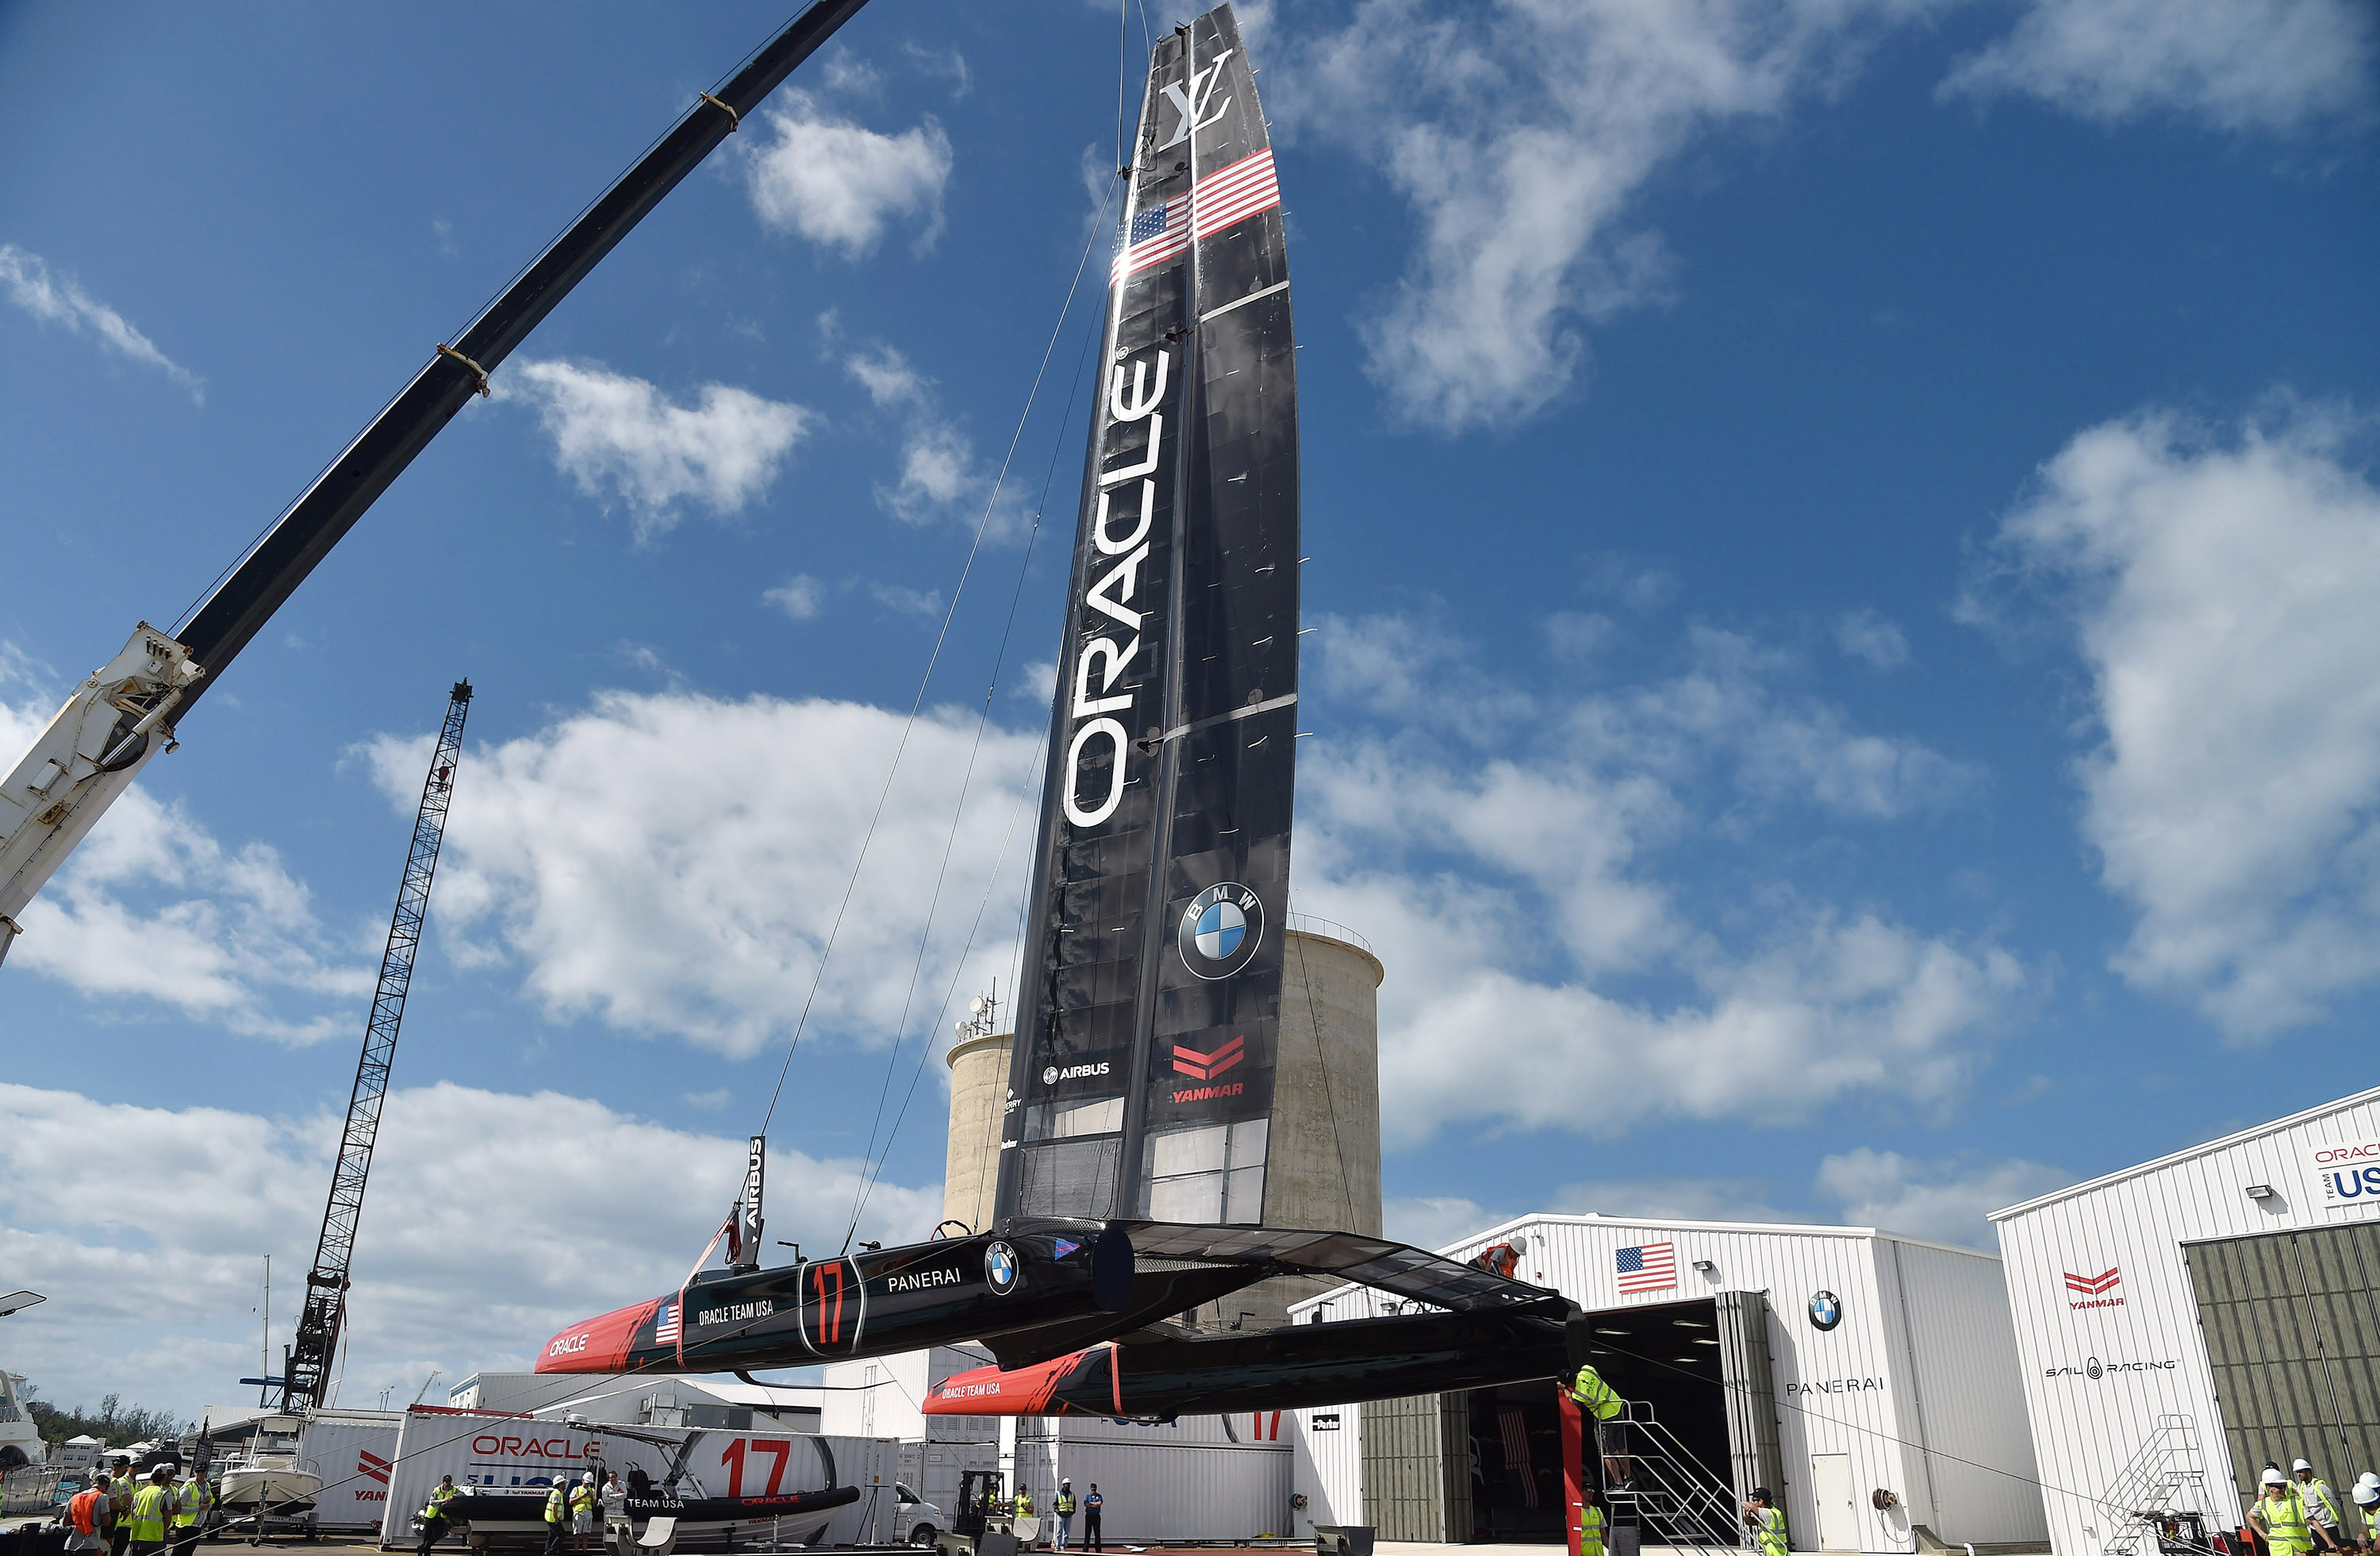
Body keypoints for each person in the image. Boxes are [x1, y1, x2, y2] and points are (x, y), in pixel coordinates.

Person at [1568, 1362, 1631, 1489]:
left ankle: (1618, 1483)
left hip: (1606, 1417)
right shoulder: (1587, 1370)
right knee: (1621, 1448)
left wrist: (1564, 1389)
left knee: (1606, 1451)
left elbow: (1572, 1401)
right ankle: (1628, 1478)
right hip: (1617, 1406)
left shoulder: (1579, 1393)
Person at [2253, 1467, 2314, 1556]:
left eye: (2284, 1486)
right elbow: (2251, 1515)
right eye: (2279, 1487)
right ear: (2269, 1488)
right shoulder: (2264, 1503)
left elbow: (2312, 1520)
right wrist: (2263, 1535)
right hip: (2278, 1550)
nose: (2283, 1489)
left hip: (2298, 1547)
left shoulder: (2294, 1501)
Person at [2298, 1462, 2350, 1553]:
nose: (2299, 1474)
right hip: (2315, 1529)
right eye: (2298, 1472)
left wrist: (2335, 1519)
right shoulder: (2301, 1488)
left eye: (2301, 1472)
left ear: (2308, 1471)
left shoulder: (2320, 1486)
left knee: (2334, 1552)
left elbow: (2334, 1504)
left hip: (2329, 1526)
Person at [127, 1467, 175, 1556]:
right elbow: (168, 1518)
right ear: (164, 1478)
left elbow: (133, 1514)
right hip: (154, 1538)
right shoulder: (164, 1494)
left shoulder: (138, 1494)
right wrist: (162, 1530)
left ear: (151, 1477)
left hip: (136, 1536)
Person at [67, 1473, 115, 1554]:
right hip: (89, 1545)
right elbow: (106, 1522)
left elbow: (66, 1522)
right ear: (107, 1485)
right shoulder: (102, 1497)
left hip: (71, 1545)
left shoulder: (75, 1497)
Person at [171, 1464, 210, 1556]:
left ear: (206, 1472)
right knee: (179, 1552)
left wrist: (208, 1504)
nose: (200, 1474)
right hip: (186, 1526)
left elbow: (209, 1503)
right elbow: (179, 1509)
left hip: (197, 1525)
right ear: (194, 1473)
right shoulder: (188, 1488)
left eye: (202, 1471)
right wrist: (198, 1508)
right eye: (197, 1472)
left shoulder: (206, 1486)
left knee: (189, 1552)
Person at [417, 1477, 460, 1556]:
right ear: (443, 1482)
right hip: (431, 1515)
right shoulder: (437, 1490)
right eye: (446, 1482)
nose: (448, 1484)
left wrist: (453, 1496)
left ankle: (423, 1548)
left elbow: (461, 1494)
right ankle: (427, 1551)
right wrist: (443, 1501)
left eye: (449, 1482)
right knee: (428, 1534)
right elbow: (432, 1501)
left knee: (438, 1534)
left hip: (441, 1516)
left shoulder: (453, 1489)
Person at [1744, 1488, 1787, 1556]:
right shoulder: (1775, 1511)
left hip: (1774, 1554)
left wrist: (1742, 1502)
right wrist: (1747, 1515)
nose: (1753, 1503)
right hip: (1781, 1553)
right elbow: (1750, 1523)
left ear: (1761, 1501)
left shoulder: (1767, 1513)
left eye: (1754, 1500)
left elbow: (1751, 1506)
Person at [543, 1477, 571, 1556]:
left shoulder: (556, 1493)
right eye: (563, 1483)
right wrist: (556, 1518)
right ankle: (550, 1552)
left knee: (551, 1537)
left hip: (550, 1518)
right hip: (553, 1519)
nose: (565, 1485)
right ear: (559, 1485)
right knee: (562, 1535)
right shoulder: (557, 1494)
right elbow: (555, 1507)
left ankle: (547, 1552)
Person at [572, 1472, 598, 1554]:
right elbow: (571, 1502)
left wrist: (591, 1497)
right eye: (586, 1483)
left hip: (588, 1513)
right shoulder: (576, 1489)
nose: (587, 1485)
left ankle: (584, 1551)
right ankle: (576, 1551)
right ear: (582, 1480)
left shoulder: (592, 1491)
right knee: (577, 1533)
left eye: (589, 1483)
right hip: (578, 1513)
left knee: (586, 1534)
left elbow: (594, 1504)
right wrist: (581, 1496)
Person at [1576, 1485, 1606, 1556]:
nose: (1591, 1493)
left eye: (1592, 1491)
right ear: (1581, 1493)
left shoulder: (1597, 1511)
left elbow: (1604, 1536)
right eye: (1588, 1490)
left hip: (1599, 1554)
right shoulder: (1575, 1513)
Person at [1054, 1480, 1077, 1551]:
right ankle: (1058, 1546)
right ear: (1064, 1485)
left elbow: (1074, 1504)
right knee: (1059, 1531)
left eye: (1069, 1484)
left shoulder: (1072, 1494)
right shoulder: (1058, 1494)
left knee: (1066, 1532)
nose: (1068, 1486)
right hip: (1061, 1515)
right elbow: (1055, 1504)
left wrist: (1073, 1511)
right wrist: (1058, 1512)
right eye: (1067, 1484)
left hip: (1069, 1515)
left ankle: (1064, 1546)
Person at [1083, 1485, 1104, 1554]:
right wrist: (1094, 1504)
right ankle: (1085, 1549)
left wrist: (1091, 1504)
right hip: (1089, 1516)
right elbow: (1086, 1504)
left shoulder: (1099, 1496)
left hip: (1096, 1516)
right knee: (1087, 1532)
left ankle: (1098, 1549)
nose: (1093, 1491)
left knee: (1097, 1533)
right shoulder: (1087, 1496)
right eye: (1092, 1490)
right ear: (1090, 1489)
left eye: (1094, 1490)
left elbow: (1099, 1503)